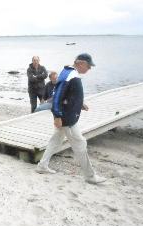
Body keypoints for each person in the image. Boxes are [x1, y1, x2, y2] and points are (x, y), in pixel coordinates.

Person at [35, 53, 107, 184]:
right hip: (66, 118)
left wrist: (79, 104)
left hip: (66, 115)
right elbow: (56, 96)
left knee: (55, 141)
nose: (89, 69)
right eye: (89, 66)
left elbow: (68, 94)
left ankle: (42, 166)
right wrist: (57, 116)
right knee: (80, 144)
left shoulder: (70, 73)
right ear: (80, 63)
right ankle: (90, 176)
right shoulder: (70, 75)